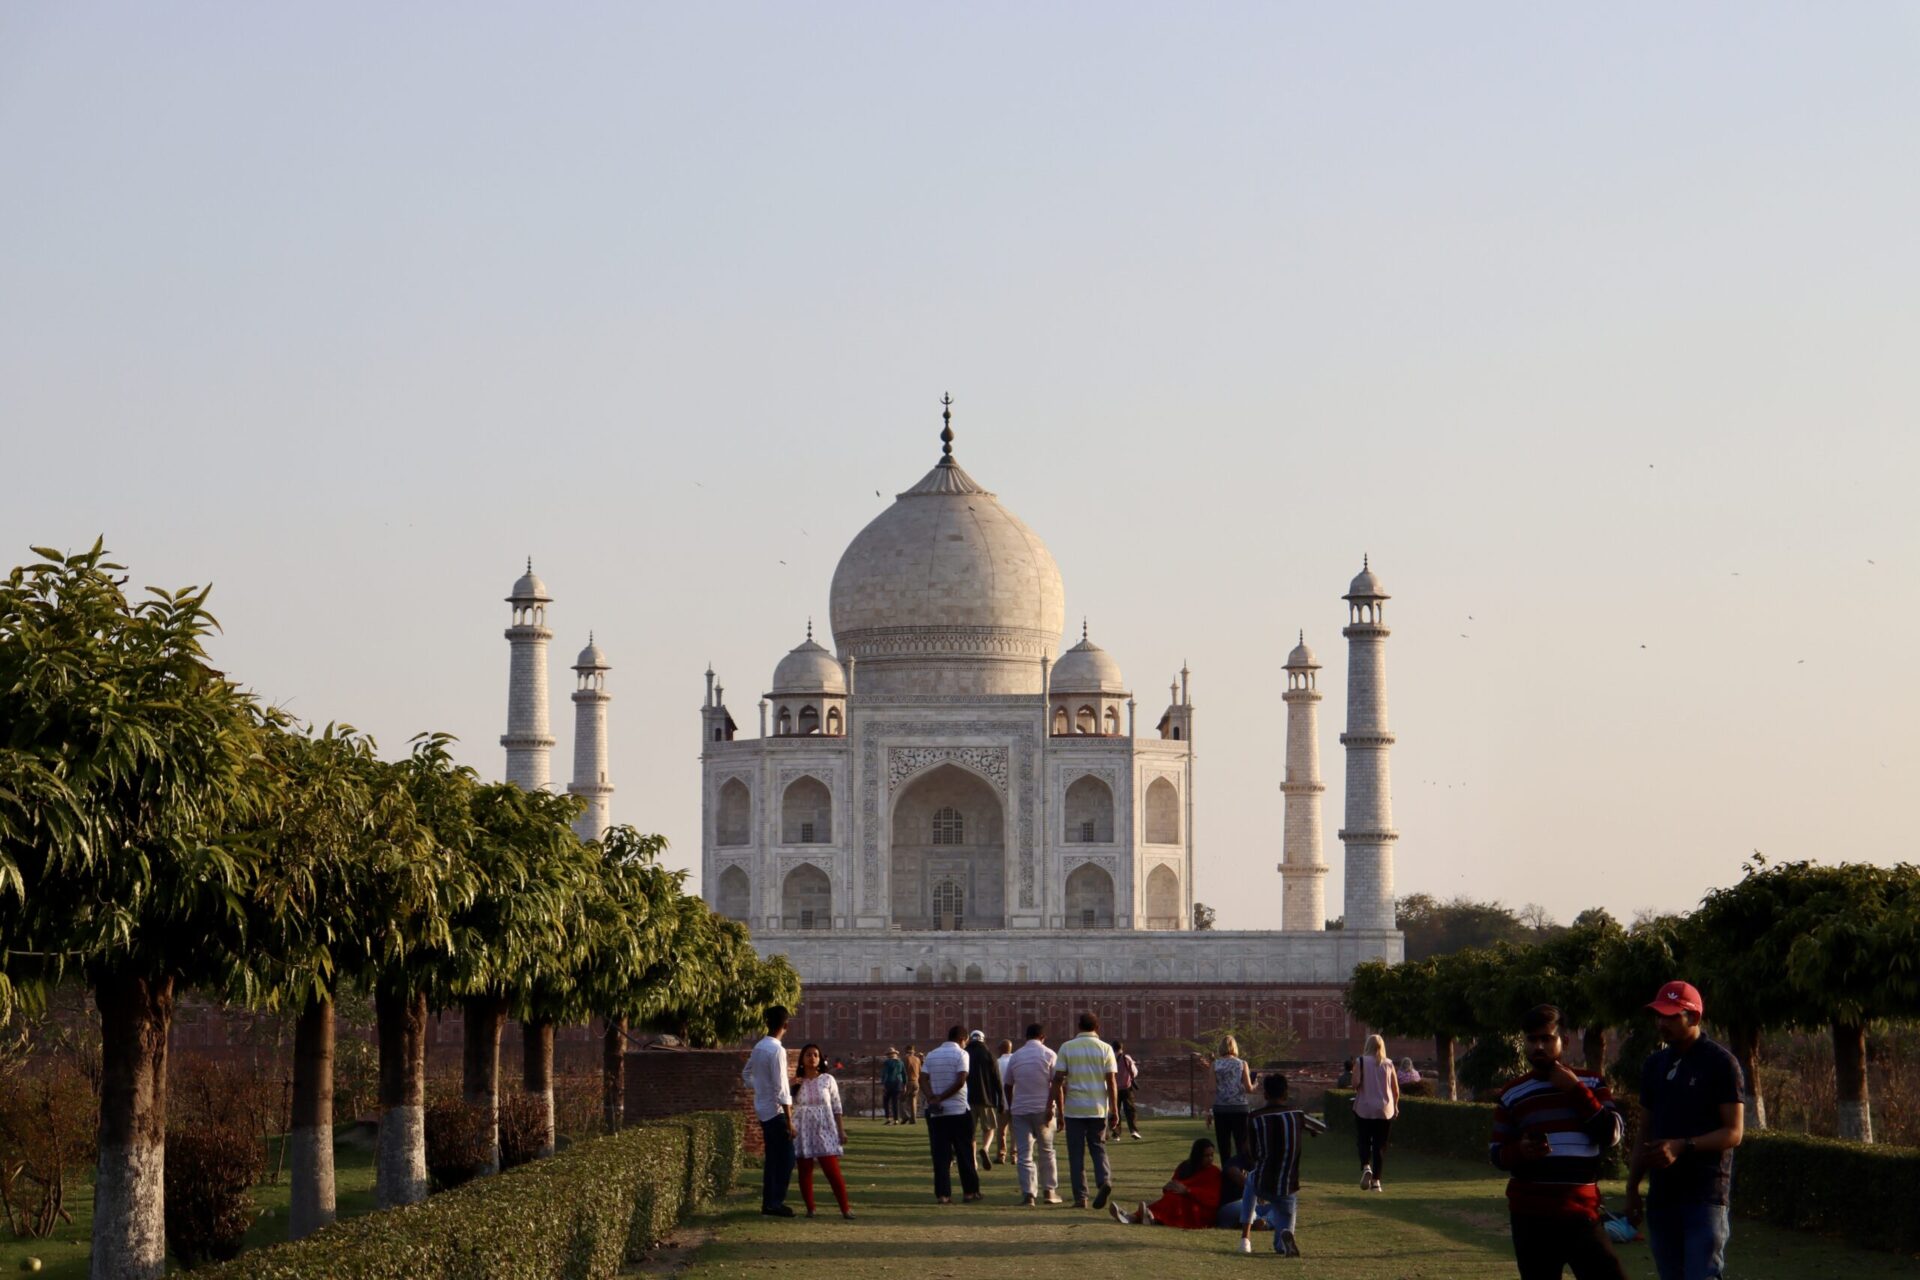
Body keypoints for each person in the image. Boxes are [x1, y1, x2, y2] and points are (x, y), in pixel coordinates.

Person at [1490, 1005, 1628, 1280]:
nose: (1539, 1046)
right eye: (1532, 1039)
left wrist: (1576, 1091)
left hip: (1581, 1213)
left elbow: (1612, 1134)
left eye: (1546, 1038)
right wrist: (1522, 1151)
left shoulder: (1591, 1082)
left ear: (1563, 1041)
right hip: (1531, 1217)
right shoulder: (1513, 1093)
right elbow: (1497, 1154)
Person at [1625, 981, 1745, 1280]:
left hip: (1704, 1194)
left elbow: (1734, 1133)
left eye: (1671, 1016)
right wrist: (1632, 1188)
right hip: (1663, 1196)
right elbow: (1646, 1130)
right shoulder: (1655, 1064)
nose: (1662, 1023)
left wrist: (1682, 1146)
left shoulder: (1721, 1064)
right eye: (1659, 1016)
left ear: (1694, 1018)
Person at [1240, 1072, 1326, 1256]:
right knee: (1283, 1224)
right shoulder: (1297, 1115)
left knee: (1250, 1178)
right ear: (1286, 1094)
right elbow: (1321, 1128)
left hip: (1262, 1182)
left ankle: (1245, 1238)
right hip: (1288, 1187)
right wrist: (1309, 1132)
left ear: (1265, 1095)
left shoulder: (1254, 1117)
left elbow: (1251, 1152)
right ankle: (1283, 1238)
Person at [1052, 1011, 1119, 1209]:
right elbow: (1112, 1081)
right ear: (1097, 1028)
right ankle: (1104, 1180)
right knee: (1098, 1147)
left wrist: (1057, 1108)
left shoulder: (1067, 1047)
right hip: (1097, 1108)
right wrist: (1114, 1109)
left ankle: (1081, 1197)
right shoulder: (1105, 1048)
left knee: (1076, 1154)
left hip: (1074, 1109)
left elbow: (1058, 1079)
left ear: (1078, 1027)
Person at [741, 1004, 795, 1216]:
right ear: (786, 1025)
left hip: (762, 1108)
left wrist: (760, 1087)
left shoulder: (759, 1047)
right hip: (775, 1111)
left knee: (773, 1158)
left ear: (766, 1023)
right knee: (787, 1158)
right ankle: (775, 1202)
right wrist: (790, 1120)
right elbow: (782, 1088)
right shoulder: (777, 1050)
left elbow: (746, 1074)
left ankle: (769, 1202)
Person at [791, 1043, 854, 1219]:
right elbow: (786, 1103)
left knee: (832, 1170)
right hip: (803, 1128)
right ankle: (810, 1208)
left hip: (824, 1127)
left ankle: (845, 1208)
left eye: (815, 1055)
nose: (812, 1058)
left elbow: (836, 1106)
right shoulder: (796, 1081)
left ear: (820, 1059)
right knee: (805, 1171)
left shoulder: (827, 1080)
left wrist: (841, 1130)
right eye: (808, 1055)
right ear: (802, 1059)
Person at [1109, 1137, 1228, 1228]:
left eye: (1212, 1155)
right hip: (1183, 1200)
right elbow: (1175, 1184)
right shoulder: (1185, 1166)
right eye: (1206, 1156)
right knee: (1172, 1197)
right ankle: (1143, 1217)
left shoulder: (1214, 1172)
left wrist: (1188, 1191)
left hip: (1202, 1210)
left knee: (1174, 1200)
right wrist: (1170, 1187)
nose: (1210, 1159)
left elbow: (1213, 1198)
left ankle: (1136, 1217)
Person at [1003, 1022, 1061, 1206]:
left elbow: (1008, 1085)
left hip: (1021, 1110)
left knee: (1024, 1153)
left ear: (1026, 1037)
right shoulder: (1049, 1054)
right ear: (1043, 1037)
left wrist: (1012, 1107)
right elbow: (1057, 1085)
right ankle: (1049, 1192)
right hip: (1042, 1110)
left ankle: (1029, 1195)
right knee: (1047, 1151)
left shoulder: (1016, 1056)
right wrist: (1057, 1108)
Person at [922, 1025, 981, 1203]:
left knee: (940, 1155)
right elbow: (961, 1079)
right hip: (958, 1111)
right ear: (963, 1039)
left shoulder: (932, 1054)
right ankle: (970, 1192)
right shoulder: (962, 1054)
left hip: (937, 1114)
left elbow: (922, 1078)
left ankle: (943, 1195)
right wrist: (941, 1096)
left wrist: (932, 1097)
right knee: (965, 1153)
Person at [1352, 1032, 1400, 1190]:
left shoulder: (1361, 1061)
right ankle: (1376, 1182)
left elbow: (1355, 1083)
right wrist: (1396, 1105)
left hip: (1364, 1108)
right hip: (1385, 1109)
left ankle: (1366, 1166)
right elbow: (1395, 1090)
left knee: (1363, 1140)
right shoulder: (1388, 1063)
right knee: (1380, 1145)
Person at [1198, 1035, 1254, 1168]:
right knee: (1241, 1145)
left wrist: (1207, 1112)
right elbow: (1249, 1089)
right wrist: (1255, 1084)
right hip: (1240, 1108)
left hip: (1221, 1108)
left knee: (1224, 1146)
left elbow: (1211, 1089)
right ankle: (1241, 1174)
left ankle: (1227, 1174)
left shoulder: (1215, 1065)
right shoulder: (1242, 1064)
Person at [964, 1029, 1005, 1172]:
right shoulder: (989, 1055)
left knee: (970, 1133)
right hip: (986, 1099)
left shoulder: (964, 1054)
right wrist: (1001, 1100)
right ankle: (985, 1148)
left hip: (966, 1100)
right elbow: (997, 1079)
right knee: (989, 1128)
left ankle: (973, 1161)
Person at [992, 1038, 1016, 1164]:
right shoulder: (1016, 1060)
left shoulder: (997, 1062)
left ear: (1001, 1049)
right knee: (1015, 1131)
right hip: (1016, 1102)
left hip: (1002, 1102)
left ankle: (1001, 1155)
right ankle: (1014, 1156)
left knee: (1001, 1131)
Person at [1114, 1040, 1143, 1139]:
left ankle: (1116, 1134)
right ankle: (1133, 1130)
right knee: (1130, 1110)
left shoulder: (1109, 1058)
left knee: (1115, 1111)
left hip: (1114, 1089)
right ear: (1121, 1048)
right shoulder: (1126, 1057)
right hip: (1126, 1088)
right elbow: (1134, 1072)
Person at [880, 1048, 906, 1124]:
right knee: (895, 1102)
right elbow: (904, 1074)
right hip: (898, 1083)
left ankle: (887, 1118)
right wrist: (904, 1085)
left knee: (886, 1101)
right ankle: (896, 1119)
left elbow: (885, 1073)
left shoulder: (887, 1062)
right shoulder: (900, 1062)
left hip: (889, 1083)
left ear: (889, 1055)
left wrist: (883, 1084)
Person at [902, 1044, 923, 1125]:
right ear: (913, 1051)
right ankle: (913, 1119)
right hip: (916, 1082)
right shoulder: (917, 1059)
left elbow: (902, 1072)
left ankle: (905, 1116)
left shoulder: (904, 1059)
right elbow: (920, 1071)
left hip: (908, 1082)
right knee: (913, 1101)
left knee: (900, 1100)